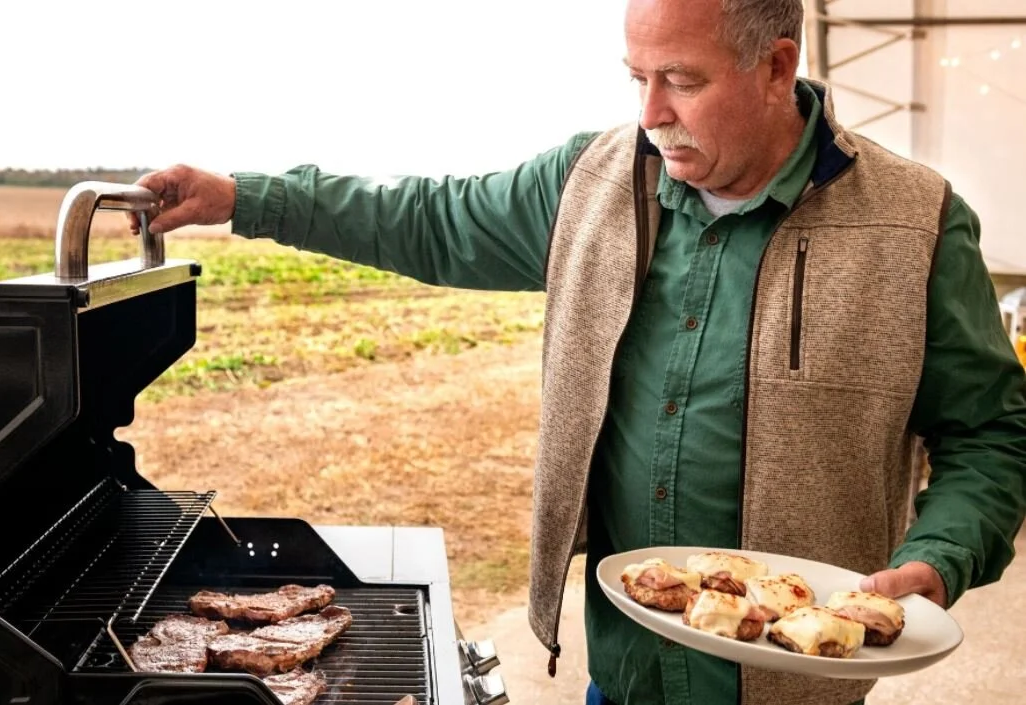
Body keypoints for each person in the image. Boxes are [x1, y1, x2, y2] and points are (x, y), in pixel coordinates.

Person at [129, 1, 1026, 703]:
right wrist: (245, 197)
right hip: (627, 672)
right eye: (635, 76)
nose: (650, 113)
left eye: (680, 78)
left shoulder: (914, 222)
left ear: (776, 66)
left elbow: (991, 435)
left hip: (798, 686)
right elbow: (427, 217)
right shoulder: (588, 181)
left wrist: (939, 556)